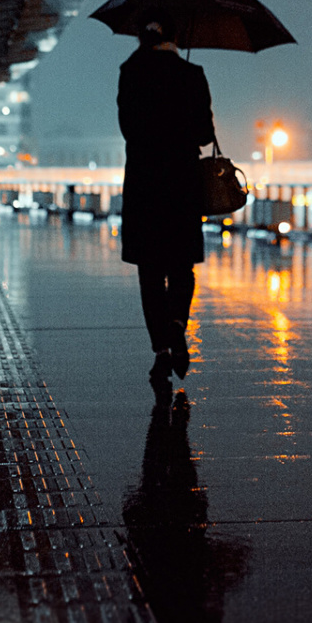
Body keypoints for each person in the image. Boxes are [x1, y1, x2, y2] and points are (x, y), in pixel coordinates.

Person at [117, 21, 216, 390]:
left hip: (144, 183)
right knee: (181, 266)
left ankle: (161, 349)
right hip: (182, 183)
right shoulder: (192, 74)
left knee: (150, 271)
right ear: (177, 36)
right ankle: (177, 325)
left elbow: (128, 128)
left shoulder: (130, 72)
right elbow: (205, 135)